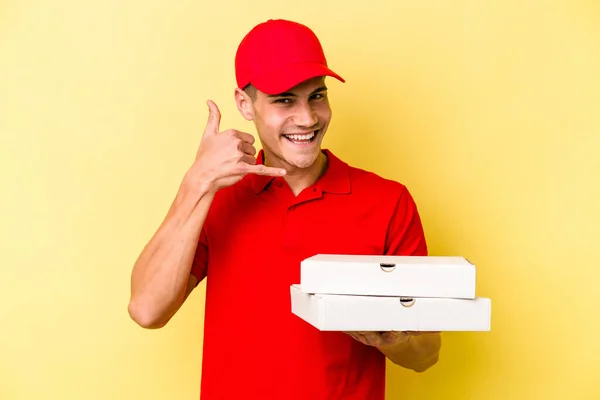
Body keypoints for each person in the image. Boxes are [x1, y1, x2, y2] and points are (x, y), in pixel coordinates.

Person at [128, 18, 442, 400]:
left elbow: (426, 354)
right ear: (245, 104)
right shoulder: (218, 198)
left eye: (317, 96)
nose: (308, 119)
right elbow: (147, 310)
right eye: (284, 100)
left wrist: (388, 337)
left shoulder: (388, 201)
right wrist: (196, 183)